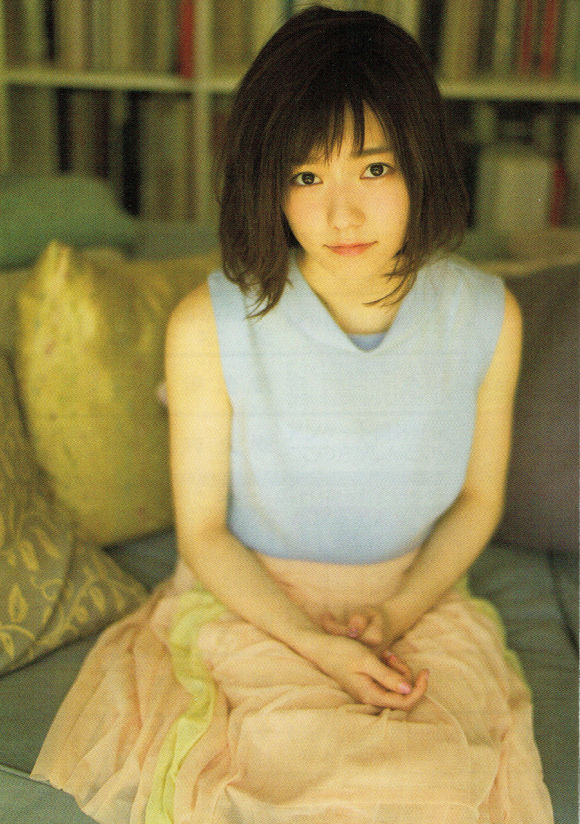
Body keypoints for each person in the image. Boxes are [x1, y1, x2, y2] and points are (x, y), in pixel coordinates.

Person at [33, 6, 553, 822]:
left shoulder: (490, 315)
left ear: (422, 162)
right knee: (282, 782)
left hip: (415, 598)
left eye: (373, 169)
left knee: (428, 784)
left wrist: (395, 614)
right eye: (306, 177)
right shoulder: (207, 325)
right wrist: (313, 644)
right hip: (254, 602)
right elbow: (204, 533)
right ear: (268, 184)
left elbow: (480, 499)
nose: (341, 214)